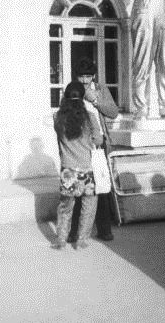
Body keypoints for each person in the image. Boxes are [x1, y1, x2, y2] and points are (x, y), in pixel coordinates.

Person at [67, 57, 119, 242]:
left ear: (93, 76)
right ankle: (74, 232)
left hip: (99, 145)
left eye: (88, 76)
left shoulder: (101, 89)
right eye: (81, 76)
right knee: (78, 187)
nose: (84, 80)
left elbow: (113, 112)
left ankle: (104, 230)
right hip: (80, 146)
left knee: (102, 187)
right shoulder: (72, 90)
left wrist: (95, 100)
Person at [52, 82, 103, 250]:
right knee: (89, 205)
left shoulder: (57, 117)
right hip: (87, 169)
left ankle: (61, 239)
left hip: (68, 169)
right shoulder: (90, 117)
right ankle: (81, 240)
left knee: (65, 206)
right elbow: (98, 140)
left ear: (65, 97)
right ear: (83, 98)